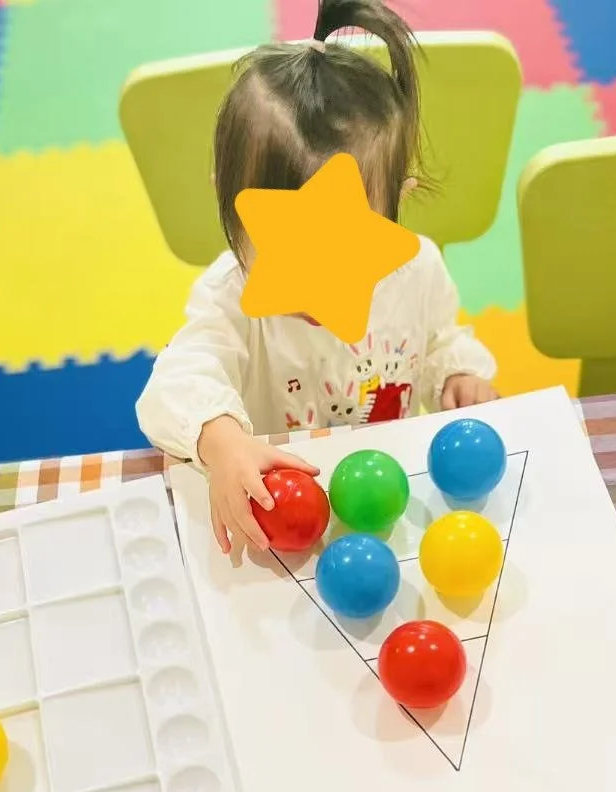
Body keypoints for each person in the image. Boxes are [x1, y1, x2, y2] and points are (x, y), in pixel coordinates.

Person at [137, 0, 498, 555]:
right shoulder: (227, 297)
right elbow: (175, 383)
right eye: (288, 252)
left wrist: (459, 377)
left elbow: (442, 340)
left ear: (399, 199)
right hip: (284, 516)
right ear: (227, 202)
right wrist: (221, 440)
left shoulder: (418, 268)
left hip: (388, 500)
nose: (314, 280)